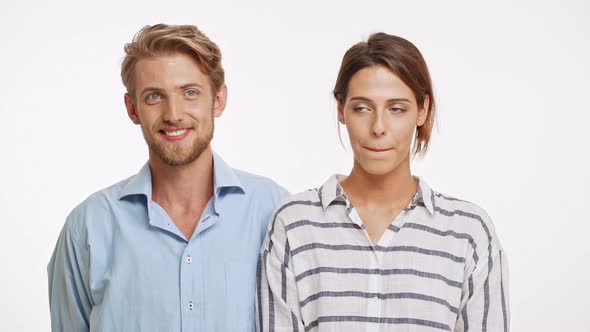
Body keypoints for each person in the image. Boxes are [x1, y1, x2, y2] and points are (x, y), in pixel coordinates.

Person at [258, 33, 509, 332]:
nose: (378, 127)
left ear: (423, 109)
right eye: (362, 108)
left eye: (397, 109)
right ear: (341, 109)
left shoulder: (468, 232)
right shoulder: (295, 223)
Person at [48, 24, 287, 332]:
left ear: (218, 99)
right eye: (154, 97)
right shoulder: (88, 227)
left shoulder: (275, 213)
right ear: (132, 109)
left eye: (190, 92)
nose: (173, 114)